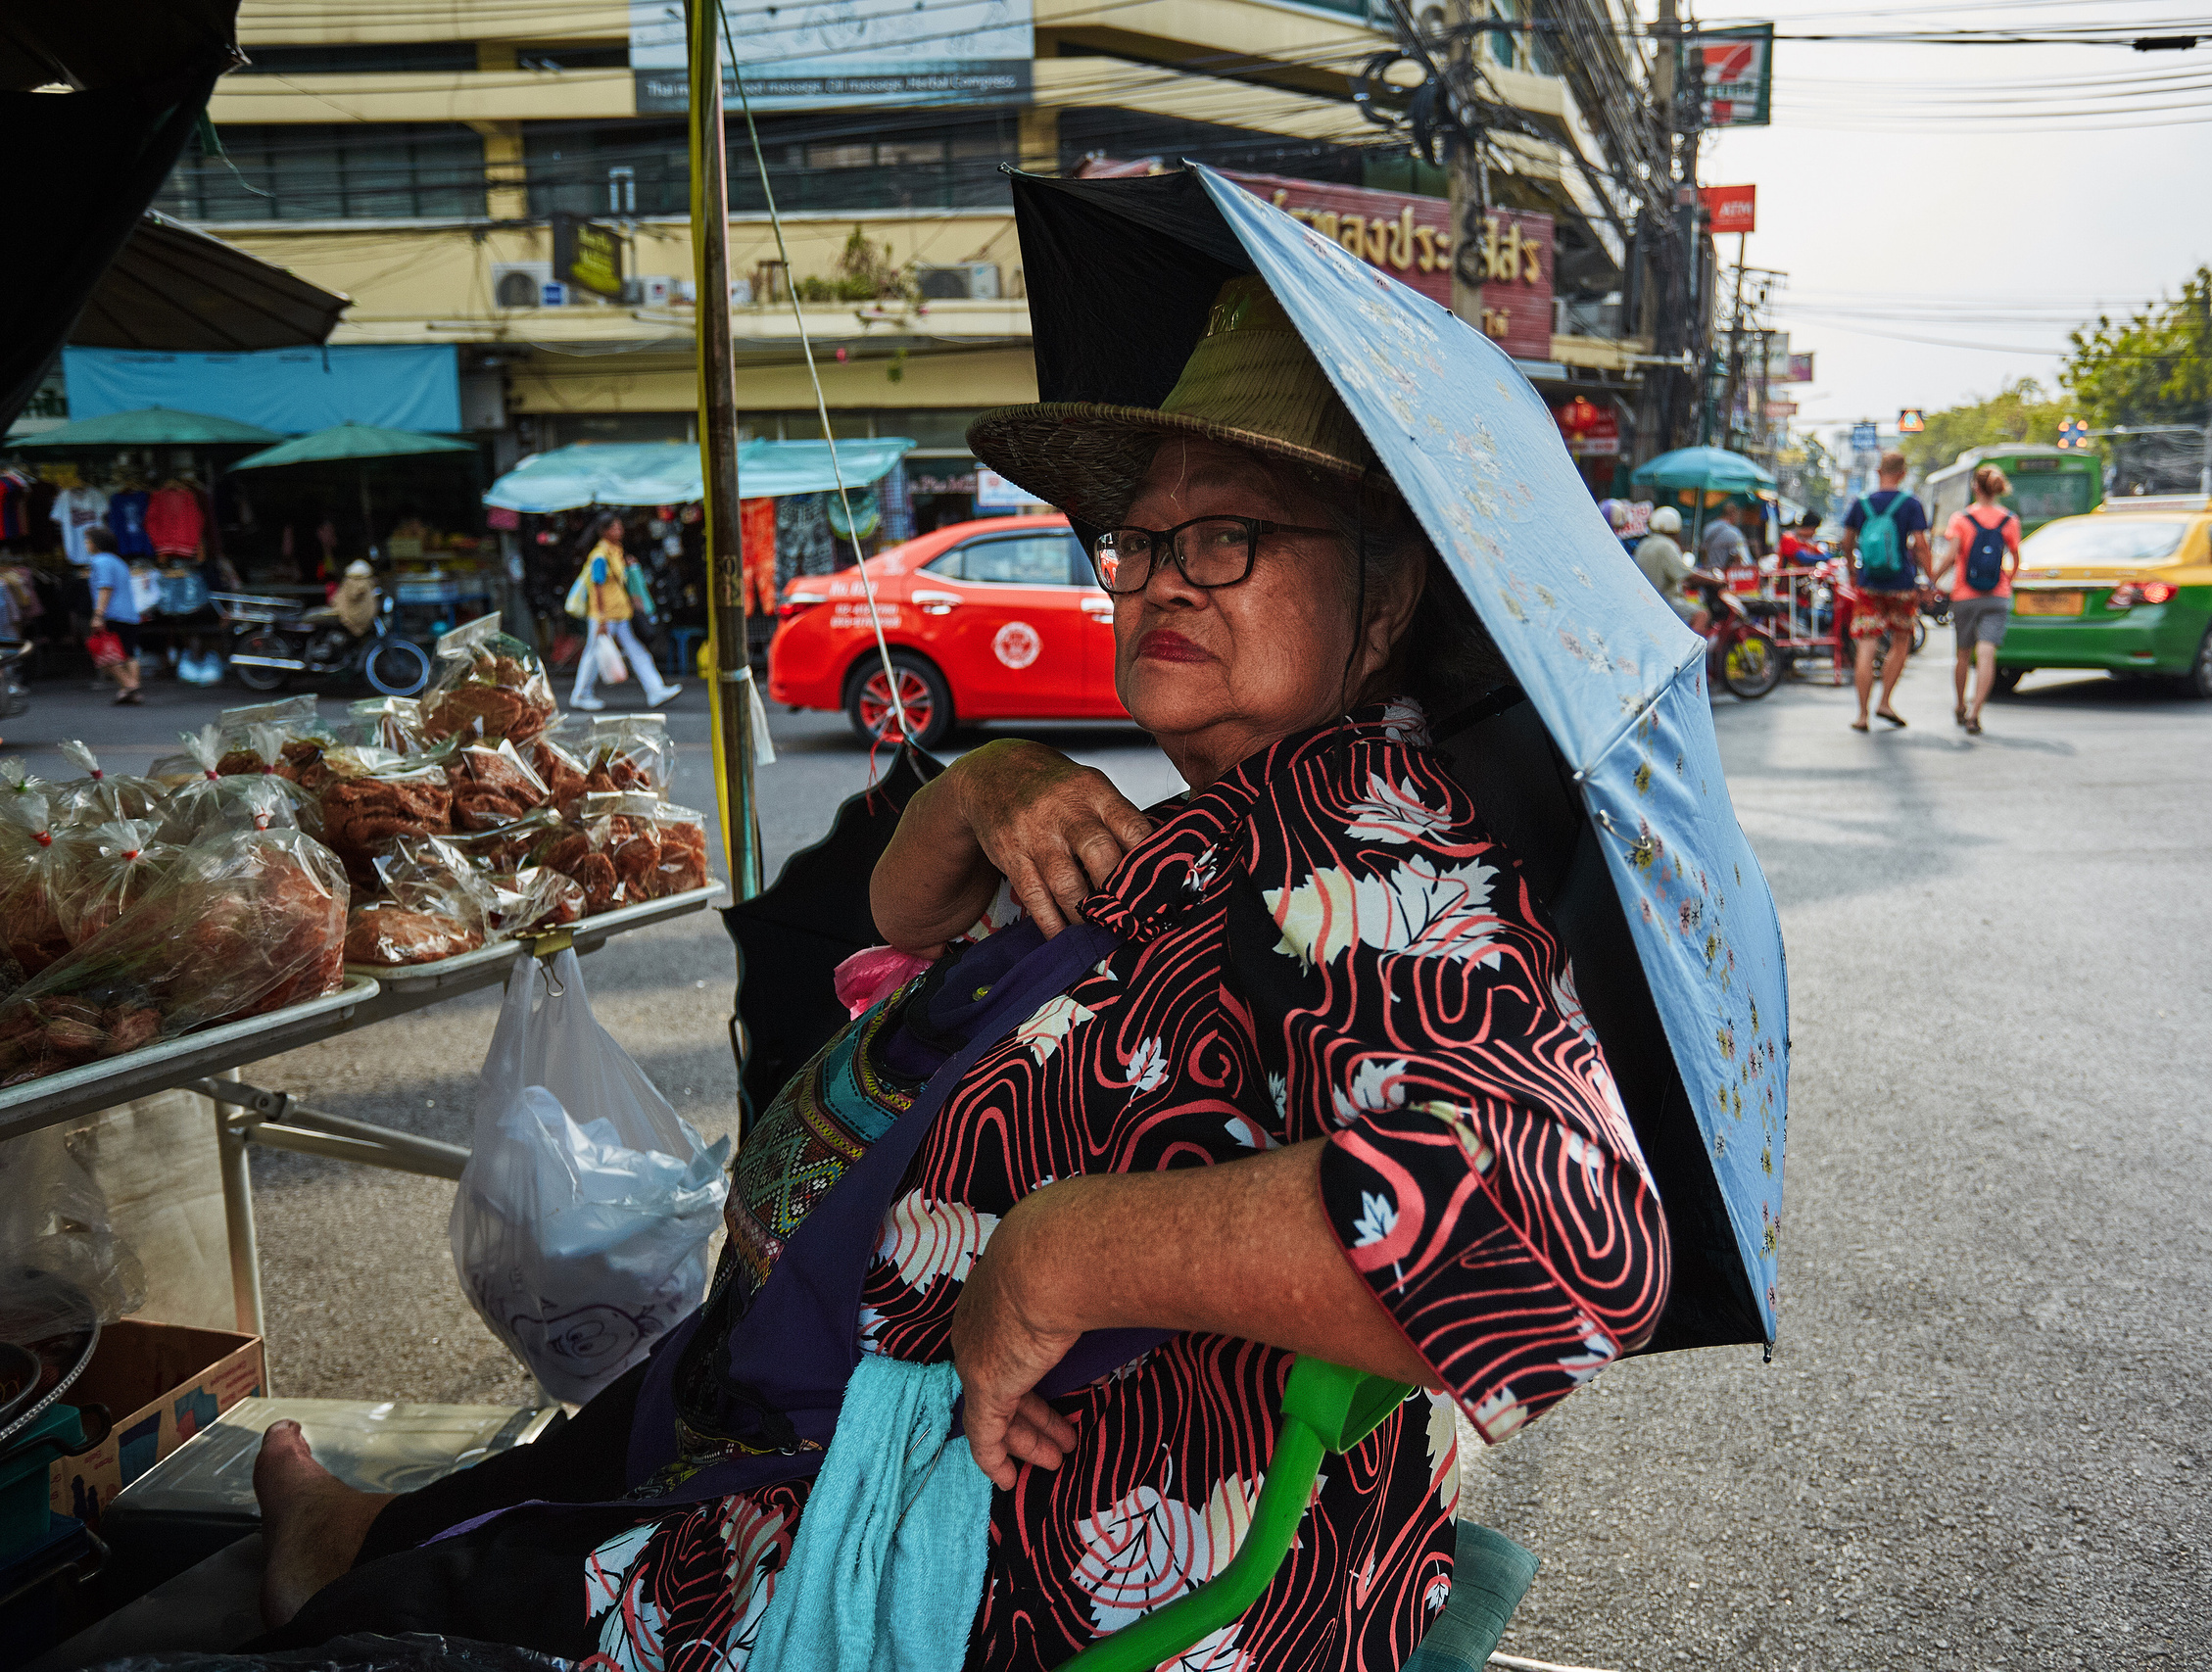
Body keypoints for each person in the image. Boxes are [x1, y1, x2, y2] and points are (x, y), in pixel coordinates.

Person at [250, 276, 1670, 1672]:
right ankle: (368, 1534)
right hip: (849, 1397)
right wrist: (979, 783)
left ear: (1385, 595)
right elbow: (894, 914)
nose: (1164, 576)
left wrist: (1054, 1254)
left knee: (454, 1611)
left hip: (1035, 1548)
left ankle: (354, 1562)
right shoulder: (1240, 817)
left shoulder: (1371, 847)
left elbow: (1556, 1231)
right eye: (1137, 538)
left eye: (1231, 535)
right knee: (598, 1451)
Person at [1839, 452, 1930, 732]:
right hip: (1902, 585)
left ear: (1878, 471)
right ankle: (1885, 702)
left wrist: (1853, 571)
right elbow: (1921, 544)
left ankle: (1862, 715)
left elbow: (1846, 542)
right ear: (1903, 474)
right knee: (1901, 641)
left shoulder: (1861, 503)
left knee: (1867, 645)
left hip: (1869, 585)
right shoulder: (1911, 503)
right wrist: (1931, 578)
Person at [1936, 463, 2020, 736]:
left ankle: (1960, 705)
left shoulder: (1961, 519)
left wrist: (1932, 579)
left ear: (1975, 487)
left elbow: (1951, 557)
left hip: (1964, 595)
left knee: (1963, 654)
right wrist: (2008, 580)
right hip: (1997, 596)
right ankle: (1975, 713)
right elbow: (2015, 557)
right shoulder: (2009, 519)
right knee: (1986, 654)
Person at [566, 516, 680, 711]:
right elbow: (597, 587)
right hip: (605, 615)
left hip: (620, 613)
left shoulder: (616, 552)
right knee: (593, 654)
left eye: (619, 527)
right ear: (604, 531)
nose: (620, 531)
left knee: (636, 651)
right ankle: (581, 694)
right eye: (615, 528)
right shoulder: (600, 556)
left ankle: (655, 689)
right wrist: (601, 618)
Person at [79, 527, 143, 706]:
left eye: (88, 541)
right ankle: (132, 690)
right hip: (129, 613)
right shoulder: (119, 562)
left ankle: (130, 686)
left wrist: (98, 614)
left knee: (107, 653)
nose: (86, 544)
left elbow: (105, 587)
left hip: (112, 613)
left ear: (96, 543)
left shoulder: (100, 561)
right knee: (129, 653)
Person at [1630, 503, 1697, 621]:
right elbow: (1686, 574)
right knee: (1701, 615)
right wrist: (1714, 581)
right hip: (1664, 600)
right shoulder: (1667, 545)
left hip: (1644, 598)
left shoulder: (1644, 543)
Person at [1699, 497, 1753, 588]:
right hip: (1724, 579)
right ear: (1733, 513)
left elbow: (1703, 552)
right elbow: (1739, 559)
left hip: (1709, 576)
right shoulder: (1734, 532)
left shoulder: (1708, 527)